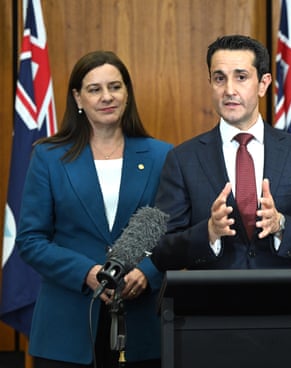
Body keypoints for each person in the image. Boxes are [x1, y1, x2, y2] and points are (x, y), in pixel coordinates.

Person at [16, 51, 173, 368]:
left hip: (142, 327)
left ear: (127, 93)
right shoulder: (48, 157)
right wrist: (86, 273)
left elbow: (173, 233)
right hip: (66, 327)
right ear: (78, 97)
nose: (107, 97)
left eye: (115, 87)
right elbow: (31, 240)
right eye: (94, 89)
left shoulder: (161, 155)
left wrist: (148, 272)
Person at [150, 35, 291, 272]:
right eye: (219, 78)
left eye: (241, 77)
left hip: (286, 303)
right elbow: (160, 252)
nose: (229, 90)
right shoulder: (183, 159)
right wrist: (209, 232)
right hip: (212, 305)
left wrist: (281, 225)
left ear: (263, 84)